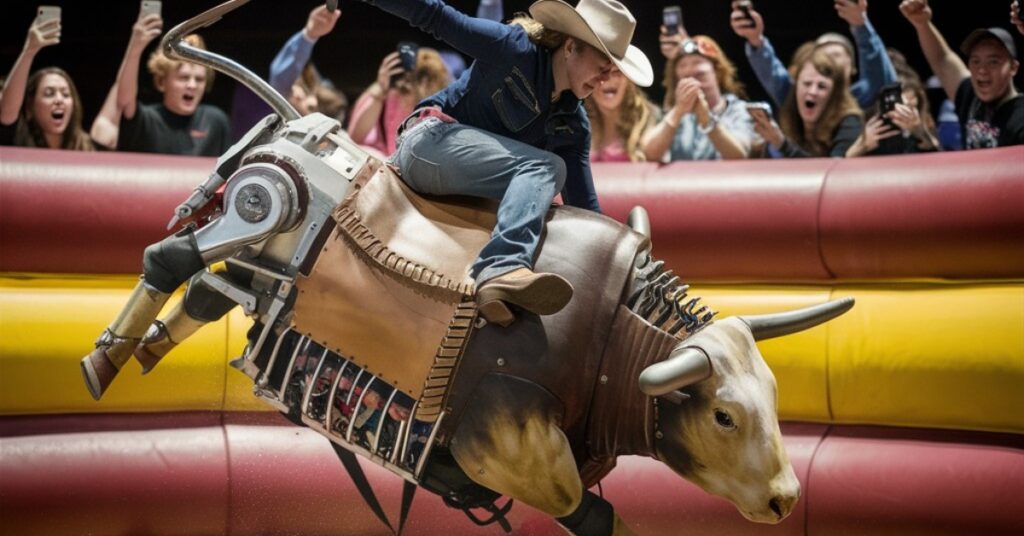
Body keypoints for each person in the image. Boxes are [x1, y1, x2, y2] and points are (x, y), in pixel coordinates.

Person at [356, 0, 653, 327]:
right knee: (545, 168)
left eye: (614, 70)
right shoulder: (512, 48)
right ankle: (501, 267)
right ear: (570, 47)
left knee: (547, 186)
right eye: (604, 65)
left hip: (464, 183)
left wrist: (623, 263)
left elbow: (586, 209)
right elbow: (434, 16)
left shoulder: (574, 126)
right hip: (426, 144)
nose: (607, 78)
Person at [900, 0, 1024, 148]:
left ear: (1013, 68)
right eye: (975, 61)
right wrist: (922, 24)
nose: (982, 70)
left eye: (993, 62)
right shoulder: (970, 95)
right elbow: (942, 60)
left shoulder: (1021, 114)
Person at [730, 0, 896, 110]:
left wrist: (860, 24)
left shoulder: (861, 97)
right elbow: (774, 77)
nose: (828, 61)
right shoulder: (800, 100)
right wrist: (755, 39)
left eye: (837, 55)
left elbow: (878, 75)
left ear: (853, 68)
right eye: (822, 56)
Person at [110, 11, 230, 156]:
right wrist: (135, 47)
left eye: (199, 79)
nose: (192, 85)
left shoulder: (216, 121)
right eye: (183, 78)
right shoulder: (146, 120)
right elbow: (123, 99)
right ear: (161, 82)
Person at [641, 36, 755, 161]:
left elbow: (739, 155)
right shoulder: (673, 115)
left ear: (717, 73)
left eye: (700, 76)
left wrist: (706, 120)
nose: (693, 84)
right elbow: (649, 154)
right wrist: (678, 112)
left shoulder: (737, 110)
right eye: (685, 78)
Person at [1, 15, 93, 150]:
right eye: (49, 93)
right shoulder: (16, 141)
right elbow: (7, 111)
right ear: (30, 108)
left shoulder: (87, 148)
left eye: (66, 94)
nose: (59, 99)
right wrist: (29, 51)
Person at [751, 48, 863, 157]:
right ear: (795, 87)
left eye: (822, 86)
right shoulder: (791, 117)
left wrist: (783, 145)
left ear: (834, 94)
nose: (813, 92)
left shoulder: (849, 122)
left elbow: (830, 172)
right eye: (807, 84)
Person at [347, 46, 450, 156]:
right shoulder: (382, 93)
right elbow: (354, 137)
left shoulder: (433, 114)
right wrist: (379, 92)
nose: (405, 84)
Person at [583, 67, 657, 162]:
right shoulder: (578, 124)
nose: (608, 79)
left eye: (617, 72)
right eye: (602, 72)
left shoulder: (650, 118)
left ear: (629, 80)